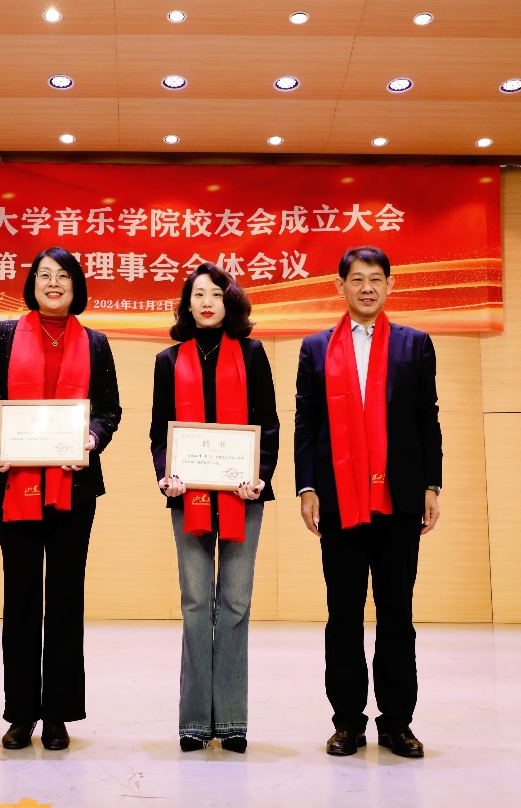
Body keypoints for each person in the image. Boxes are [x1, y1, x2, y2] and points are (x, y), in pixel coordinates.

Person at [0, 247, 122, 751]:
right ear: (32, 284)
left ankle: (57, 715)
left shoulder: (95, 343)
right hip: (14, 480)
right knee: (20, 596)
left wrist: (92, 439)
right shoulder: (4, 334)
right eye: (43, 275)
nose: (53, 283)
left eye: (62, 276)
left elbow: (109, 410)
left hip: (74, 484)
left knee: (65, 598)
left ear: (77, 286)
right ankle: (20, 714)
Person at [294, 246, 442, 759]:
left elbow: (427, 418)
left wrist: (432, 485)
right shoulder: (316, 348)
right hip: (338, 499)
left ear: (390, 285)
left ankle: (397, 723)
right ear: (340, 286)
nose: (367, 288)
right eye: (357, 279)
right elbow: (307, 422)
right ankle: (347, 723)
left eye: (376, 279)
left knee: (397, 613)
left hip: (399, 498)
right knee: (343, 614)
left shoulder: (414, 344)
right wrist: (307, 487)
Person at [149, 263, 279, 753]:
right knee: (196, 604)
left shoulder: (253, 354)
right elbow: (160, 430)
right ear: (187, 304)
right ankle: (193, 722)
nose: (207, 302)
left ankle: (231, 720)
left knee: (236, 604)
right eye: (198, 294)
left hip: (244, 494)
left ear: (230, 302)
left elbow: (268, 423)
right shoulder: (167, 360)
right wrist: (166, 474)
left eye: (216, 295)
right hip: (188, 495)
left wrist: (259, 473)